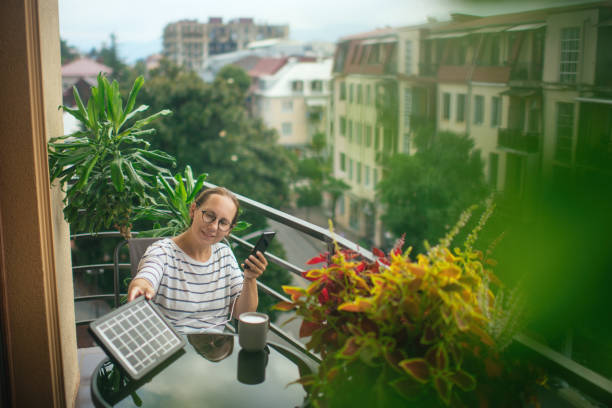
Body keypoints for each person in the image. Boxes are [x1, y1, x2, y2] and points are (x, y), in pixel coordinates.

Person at [127, 186, 268, 333]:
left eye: (223, 222)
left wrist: (250, 279)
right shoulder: (162, 252)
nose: (213, 227)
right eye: (209, 215)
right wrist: (141, 285)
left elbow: (241, 313)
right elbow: (147, 276)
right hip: (175, 349)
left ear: (229, 229)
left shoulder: (224, 255)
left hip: (213, 351)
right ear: (193, 210)